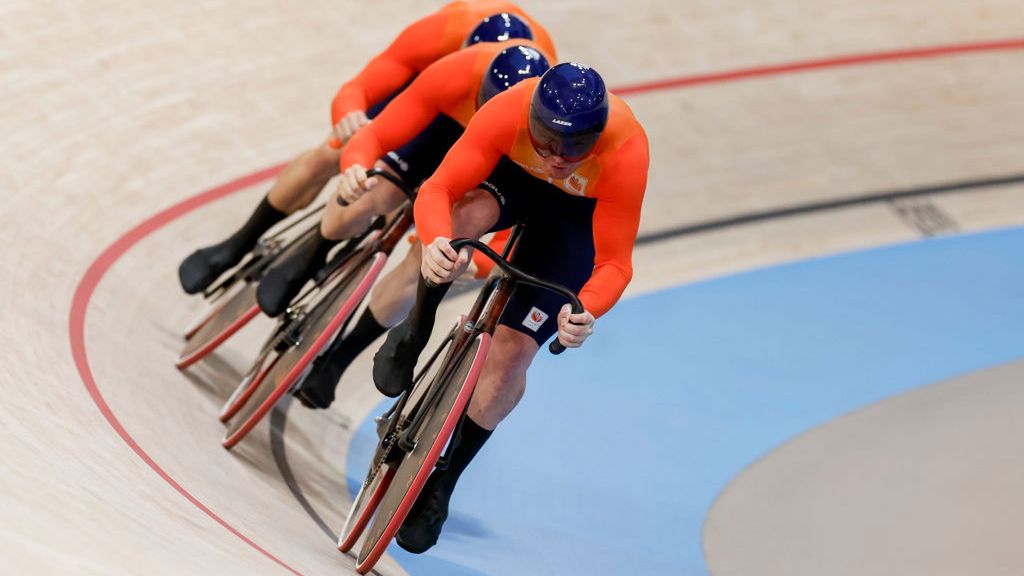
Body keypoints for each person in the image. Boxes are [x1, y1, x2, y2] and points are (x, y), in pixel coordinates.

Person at [371, 62, 650, 553]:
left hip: (573, 222)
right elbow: (439, 189)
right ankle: (415, 328)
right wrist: (437, 242)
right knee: (461, 221)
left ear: (598, 136)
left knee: (512, 355)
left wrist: (585, 310)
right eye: (546, 141)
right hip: (513, 184)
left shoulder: (626, 150)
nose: (559, 158)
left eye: (576, 147)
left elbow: (615, 263)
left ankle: (444, 481)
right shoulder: (507, 111)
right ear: (531, 121)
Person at [252, 40, 554, 408]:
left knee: (428, 260)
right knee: (374, 195)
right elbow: (376, 134)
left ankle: (338, 359)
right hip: (448, 128)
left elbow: (520, 217)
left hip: (501, 159)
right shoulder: (455, 73)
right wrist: (355, 168)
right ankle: (314, 250)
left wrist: (475, 261)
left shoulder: (544, 135)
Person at [176, 2, 554, 294]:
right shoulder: (446, 32)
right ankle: (238, 242)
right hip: (428, 96)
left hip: (489, 132)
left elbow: (522, 189)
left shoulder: (540, 101)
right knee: (334, 150)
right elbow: (358, 89)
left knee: (444, 200)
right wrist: (349, 121)